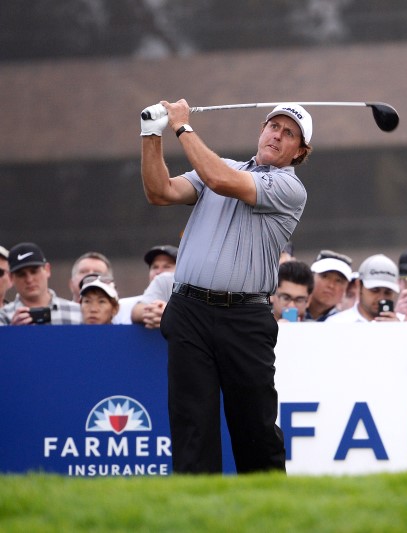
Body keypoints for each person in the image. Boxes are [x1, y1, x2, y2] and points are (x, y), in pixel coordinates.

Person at [140, 98, 312, 474]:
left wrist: (182, 127)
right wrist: (151, 134)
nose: (277, 136)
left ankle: (269, 516)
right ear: (261, 130)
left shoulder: (288, 188)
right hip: (188, 313)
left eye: (289, 134)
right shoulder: (222, 167)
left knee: (255, 430)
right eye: (273, 127)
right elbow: (160, 192)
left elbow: (222, 181)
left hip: (245, 319)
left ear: (299, 152)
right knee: (192, 429)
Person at [0, 242, 81, 325]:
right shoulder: (3, 318)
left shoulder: (77, 313)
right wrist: (11, 333)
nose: (29, 280)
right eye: (21, 274)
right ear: (11, 278)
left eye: (34, 271)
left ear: (47, 270)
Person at [326, 254, 402, 323]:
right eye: (374, 290)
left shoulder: (405, 323)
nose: (381, 298)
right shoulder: (336, 323)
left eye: (388, 292)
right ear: (359, 285)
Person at [124, 245, 179, 326]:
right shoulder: (127, 303)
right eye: (155, 267)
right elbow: (136, 312)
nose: (159, 272)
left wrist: (171, 314)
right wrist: (154, 312)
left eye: (167, 267)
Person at [305, 250, 352, 321]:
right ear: (311, 277)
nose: (331, 285)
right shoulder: (288, 311)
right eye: (325, 276)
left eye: (339, 281)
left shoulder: (347, 323)